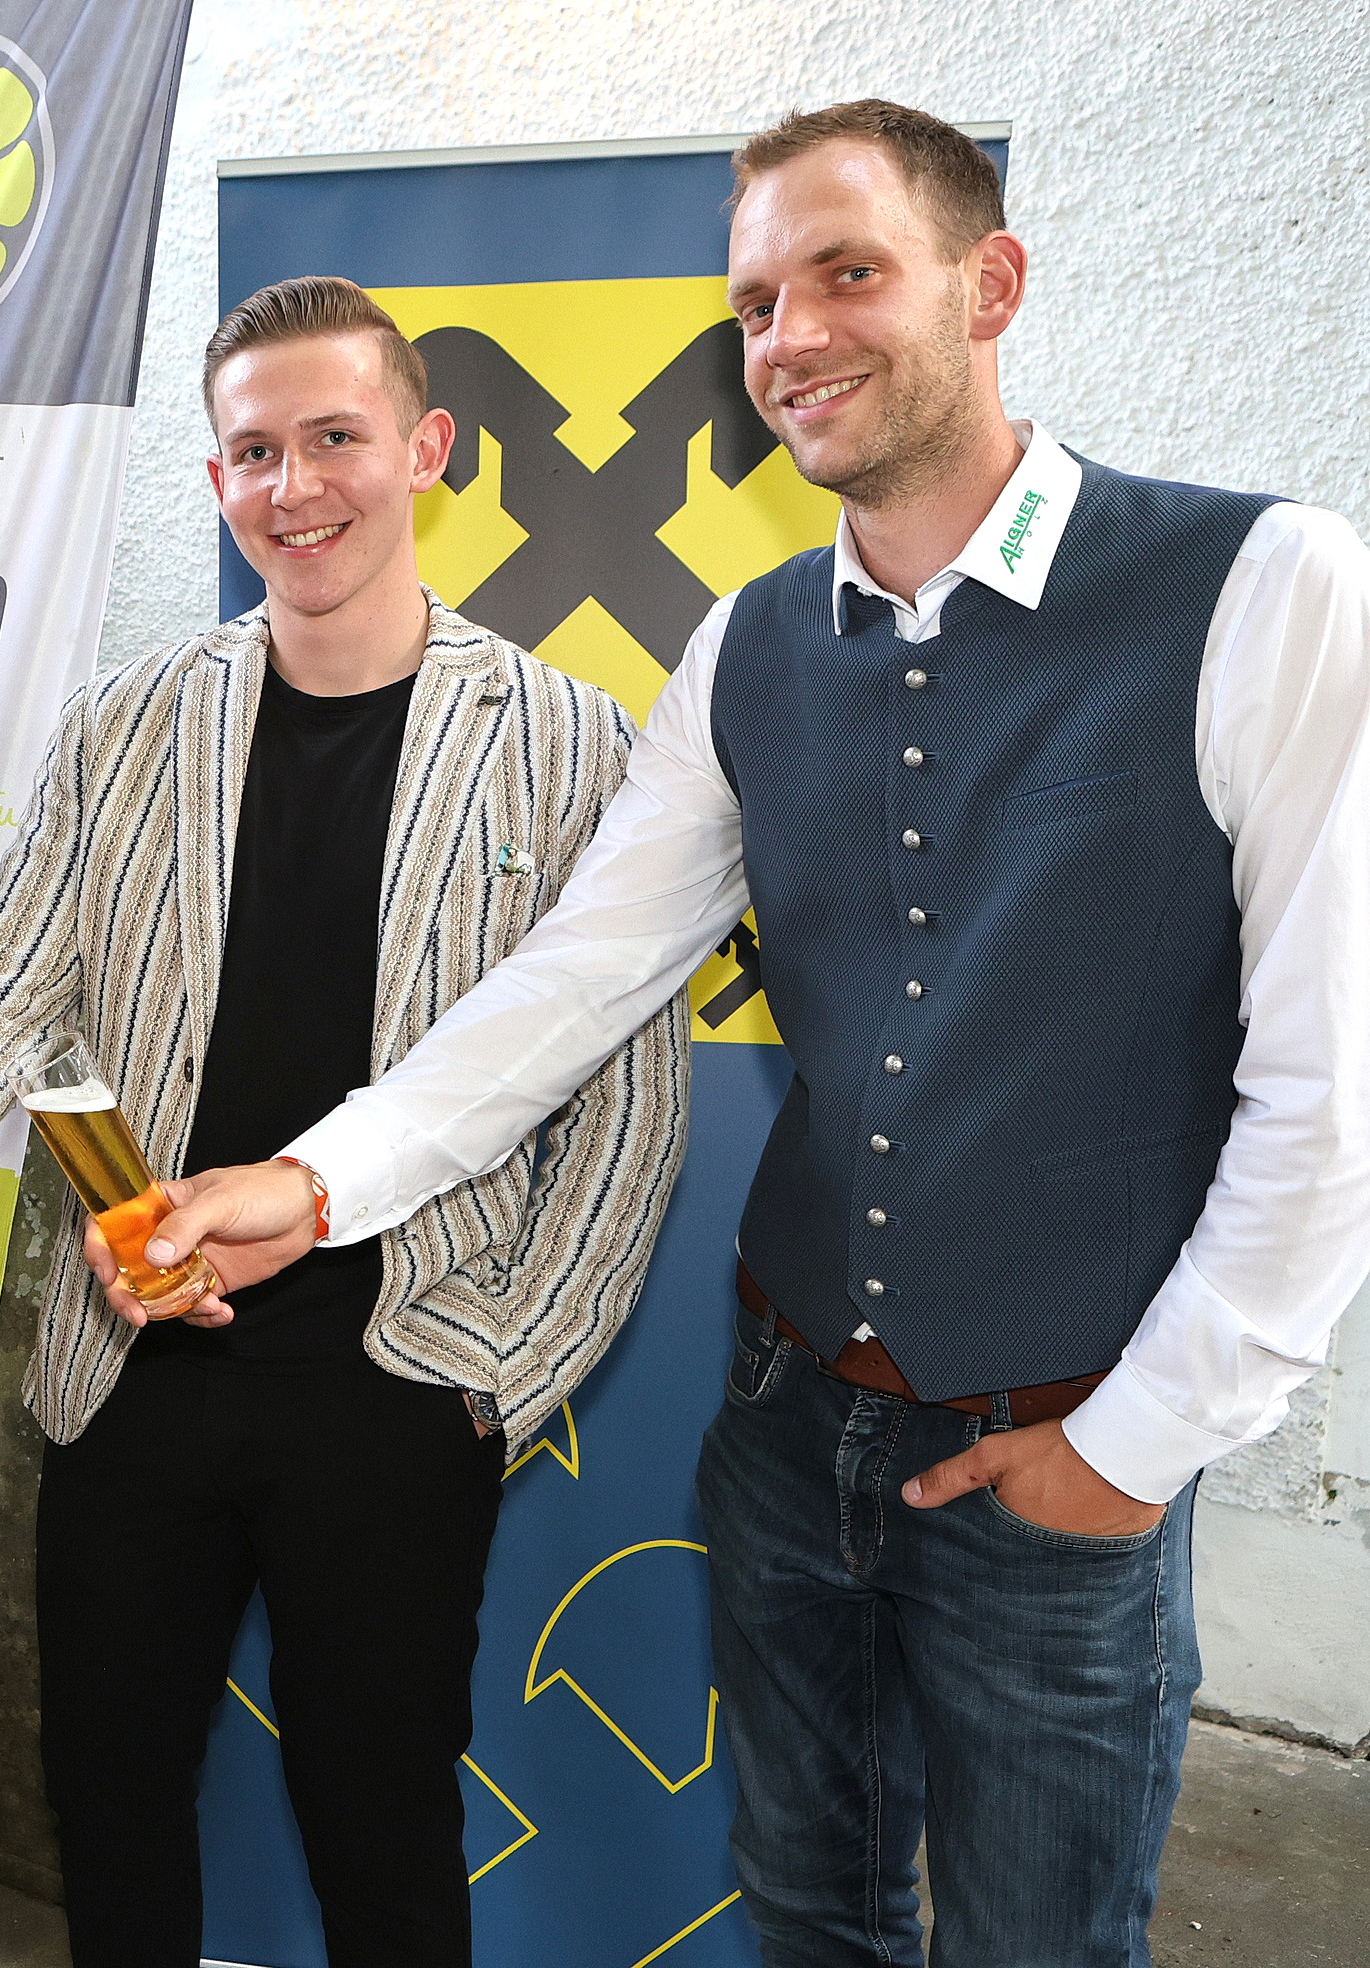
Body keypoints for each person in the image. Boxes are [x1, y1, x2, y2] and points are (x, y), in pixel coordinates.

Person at [152, 103, 1370, 1967]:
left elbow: (1328, 1092)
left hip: (1064, 1444)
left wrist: (1136, 1445)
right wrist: (315, 1185)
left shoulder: (1265, 586)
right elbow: (576, 976)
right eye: (751, 303)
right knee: (808, 1910)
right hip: (789, 1426)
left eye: (845, 272)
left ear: (989, 285)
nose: (789, 335)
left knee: (1037, 1947)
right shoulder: (747, 643)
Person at [0, 278, 688, 1968]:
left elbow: (624, 1108)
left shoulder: (569, 741)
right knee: (109, 1795)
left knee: (381, 1821)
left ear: (425, 448)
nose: (295, 486)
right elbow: (6, 983)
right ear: (215, 479)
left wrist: (493, 1375)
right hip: (131, 1357)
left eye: (334, 437)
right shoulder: (128, 721)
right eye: (254, 452)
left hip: (401, 1373)